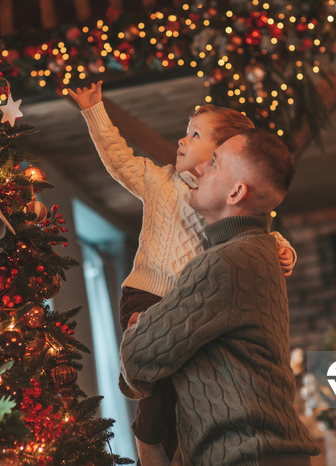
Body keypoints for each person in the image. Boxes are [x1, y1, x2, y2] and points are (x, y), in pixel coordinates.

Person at [69, 82, 298, 466]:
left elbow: (257, 232)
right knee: (160, 383)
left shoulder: (234, 249)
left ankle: (162, 442)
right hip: (147, 292)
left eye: (196, 135)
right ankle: (147, 436)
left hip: (183, 307)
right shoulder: (162, 183)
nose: (182, 139)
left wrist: (284, 247)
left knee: (174, 383)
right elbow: (119, 159)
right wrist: (94, 111)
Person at [120, 128, 321, 465]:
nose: (199, 169)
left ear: (236, 192)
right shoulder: (258, 252)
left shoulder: (223, 263)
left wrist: (142, 327)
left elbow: (138, 358)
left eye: (213, 163)